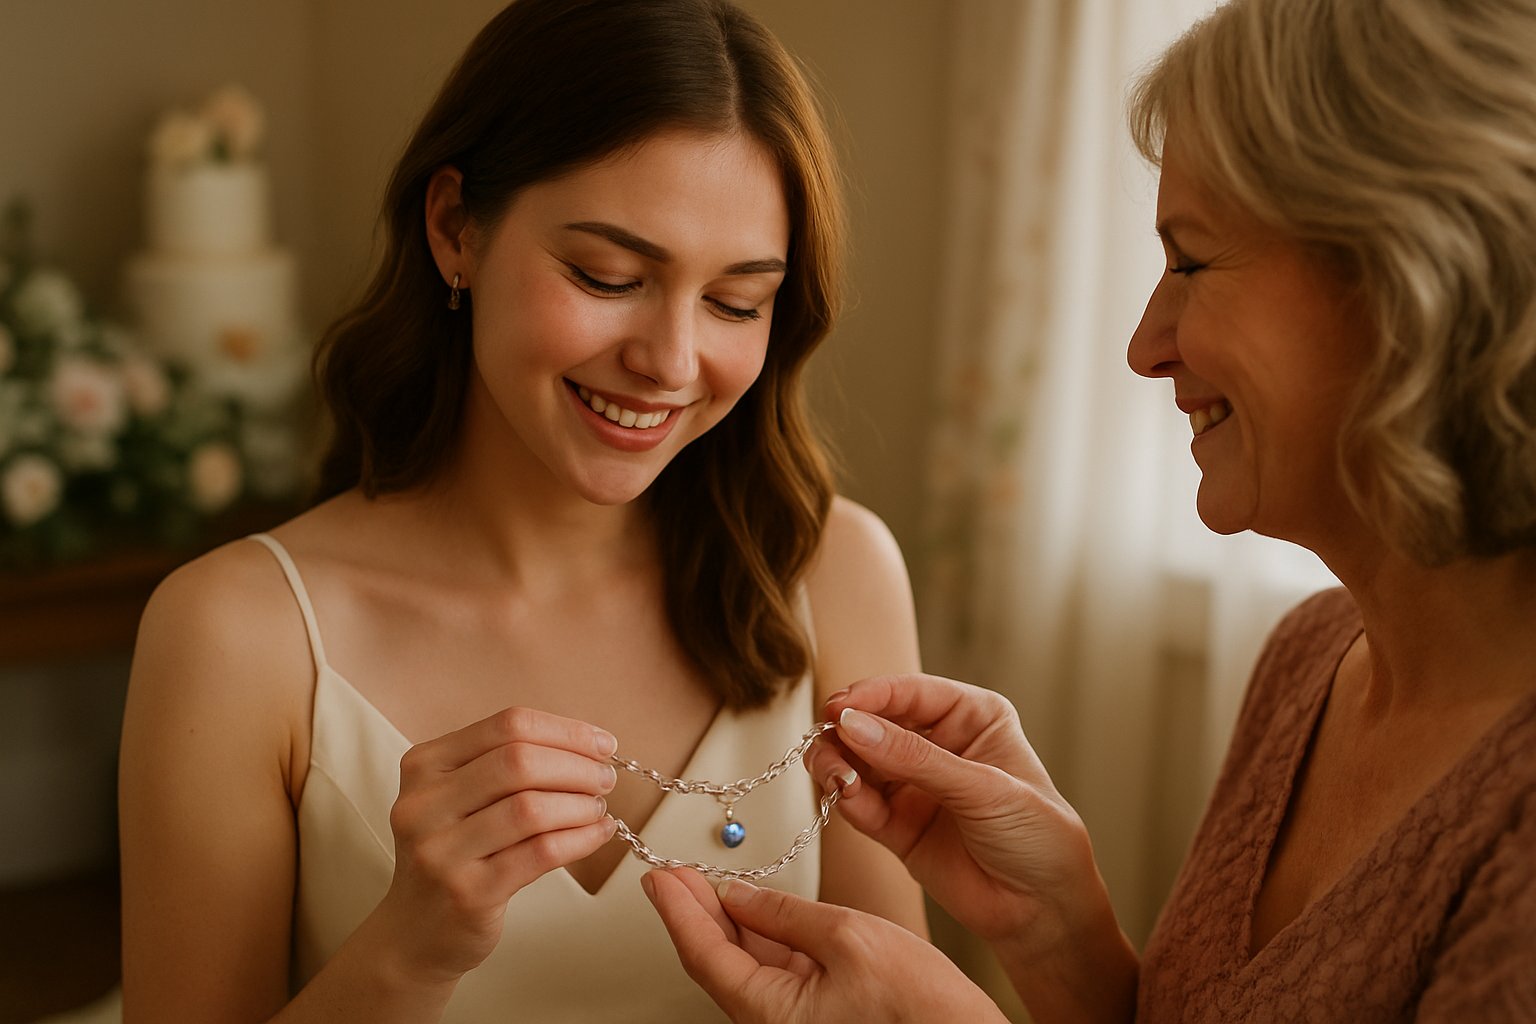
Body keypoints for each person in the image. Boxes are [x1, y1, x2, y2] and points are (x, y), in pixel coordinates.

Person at [645, 0, 1536, 1019]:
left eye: (1190, 261)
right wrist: (1061, 931)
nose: (1145, 344)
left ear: (1416, 278)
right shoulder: (1312, 660)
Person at [117, 1, 928, 1020]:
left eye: (735, 301)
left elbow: (898, 1004)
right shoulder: (236, 634)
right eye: (608, 275)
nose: (671, 363)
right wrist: (405, 953)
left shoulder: (836, 574)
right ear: (456, 226)